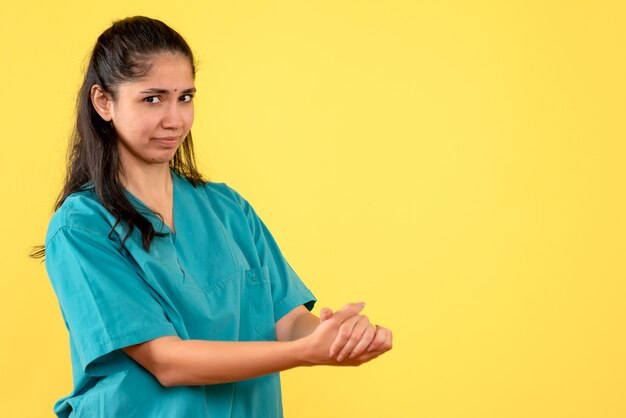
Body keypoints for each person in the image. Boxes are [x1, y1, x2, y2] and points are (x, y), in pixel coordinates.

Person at [36, 16, 392, 418]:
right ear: (104, 102)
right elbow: (166, 361)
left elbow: (288, 321)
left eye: (185, 97)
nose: (175, 119)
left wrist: (337, 337)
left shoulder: (228, 210)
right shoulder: (82, 227)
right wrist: (301, 354)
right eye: (152, 99)